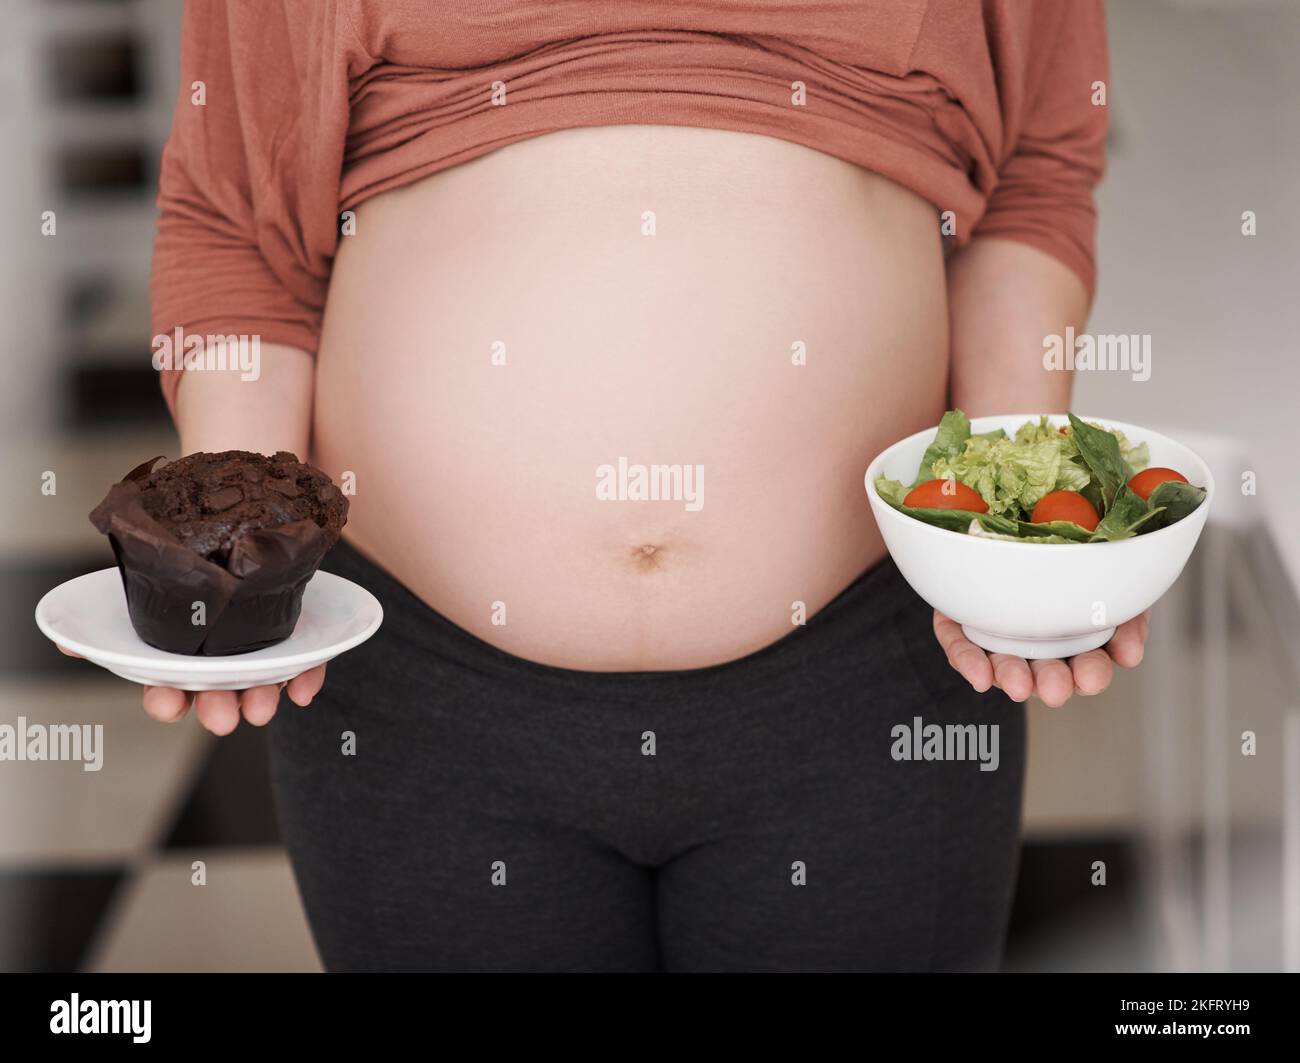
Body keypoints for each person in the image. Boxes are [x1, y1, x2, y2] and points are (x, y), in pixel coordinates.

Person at [133, 0, 1142, 971]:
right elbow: (235, 226)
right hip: (420, 688)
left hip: (869, 668)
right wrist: (227, 561)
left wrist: (1016, 534)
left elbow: (1031, 174)